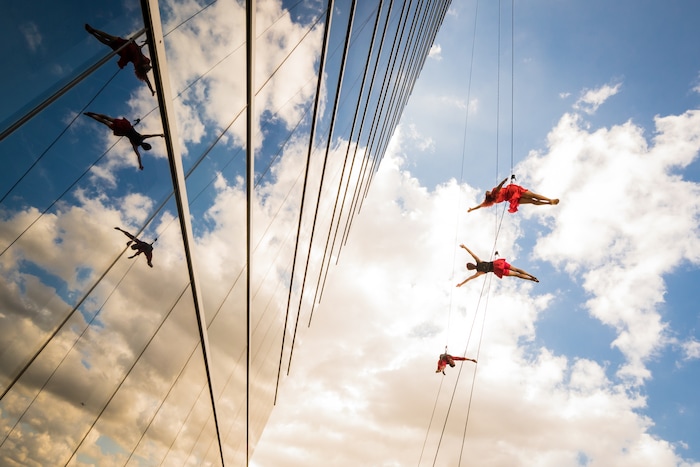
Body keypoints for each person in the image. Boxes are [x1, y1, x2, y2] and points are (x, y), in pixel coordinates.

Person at [85, 23, 155, 96]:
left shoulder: (139, 67)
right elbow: (139, 50)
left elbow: (148, 82)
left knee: (108, 42)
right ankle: (93, 30)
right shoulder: (147, 61)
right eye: (148, 68)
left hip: (125, 52)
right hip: (128, 45)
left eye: (147, 68)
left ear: (144, 68)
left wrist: (152, 91)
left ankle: (93, 33)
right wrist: (137, 43)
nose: (148, 68)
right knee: (111, 38)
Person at [84, 112, 163, 170]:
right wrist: (140, 165)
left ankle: (93, 113)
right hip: (122, 131)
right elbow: (138, 156)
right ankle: (92, 116)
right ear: (143, 148)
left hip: (126, 126)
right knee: (105, 122)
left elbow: (151, 135)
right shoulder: (135, 144)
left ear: (146, 143)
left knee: (107, 118)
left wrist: (160, 135)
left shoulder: (142, 137)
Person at [456, 244, 538, 286]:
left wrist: (461, 284)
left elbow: (469, 278)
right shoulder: (478, 262)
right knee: (516, 270)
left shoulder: (479, 272)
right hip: (498, 264)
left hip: (497, 269)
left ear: (471, 269)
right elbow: (472, 253)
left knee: (516, 274)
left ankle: (531, 279)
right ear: (472, 264)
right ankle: (531, 276)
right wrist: (464, 247)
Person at [468, 177, 559, 213]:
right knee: (533, 196)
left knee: (532, 201)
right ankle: (550, 200)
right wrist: (503, 182)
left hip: (512, 199)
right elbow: (499, 187)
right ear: (489, 195)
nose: (487, 192)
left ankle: (549, 203)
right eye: (487, 192)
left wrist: (472, 209)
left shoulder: (494, 201)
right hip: (514, 191)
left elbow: (480, 206)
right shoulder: (494, 192)